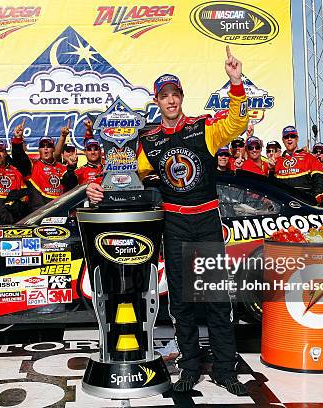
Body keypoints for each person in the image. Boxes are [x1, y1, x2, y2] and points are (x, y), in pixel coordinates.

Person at [87, 46, 249, 396]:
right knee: (182, 302)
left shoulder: (203, 128)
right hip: (174, 226)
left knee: (217, 301)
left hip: (206, 221)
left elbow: (238, 122)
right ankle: (189, 367)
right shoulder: (149, 139)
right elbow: (124, 172)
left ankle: (224, 369)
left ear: (181, 98)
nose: (171, 101)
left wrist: (235, 82)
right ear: (157, 102)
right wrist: (97, 186)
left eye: (175, 95)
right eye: (164, 96)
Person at [12, 120, 71, 211]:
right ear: (39, 150)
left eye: (49, 146)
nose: (46, 148)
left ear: (53, 149)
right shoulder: (32, 165)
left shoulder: (63, 168)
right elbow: (18, 157)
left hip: (60, 212)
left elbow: (71, 186)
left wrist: (72, 167)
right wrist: (17, 139)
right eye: (43, 146)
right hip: (38, 214)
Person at [272, 126, 323, 202]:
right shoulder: (277, 161)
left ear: (297, 139)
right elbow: (272, 186)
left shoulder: (309, 158)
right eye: (286, 137)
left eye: (292, 136)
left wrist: (312, 200)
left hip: (304, 205)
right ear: (283, 140)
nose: (289, 139)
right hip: (284, 205)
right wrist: (271, 170)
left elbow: (320, 182)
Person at [62, 122, 103, 190]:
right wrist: (71, 168)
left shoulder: (107, 169)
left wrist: (89, 130)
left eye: (96, 149)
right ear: (85, 152)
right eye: (89, 149)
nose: (93, 152)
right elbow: (67, 184)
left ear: (100, 151)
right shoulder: (80, 171)